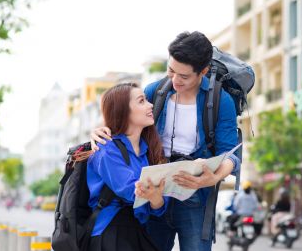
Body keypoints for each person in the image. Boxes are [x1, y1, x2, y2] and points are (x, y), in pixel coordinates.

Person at [91, 31, 242, 251]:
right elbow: (124, 115)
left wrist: (212, 178)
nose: (174, 80)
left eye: (184, 76)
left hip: (194, 195)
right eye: (171, 70)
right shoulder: (156, 91)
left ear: (203, 72)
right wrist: (100, 130)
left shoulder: (220, 101)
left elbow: (230, 153)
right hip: (155, 191)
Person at [87, 83, 169, 251]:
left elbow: (157, 206)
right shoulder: (106, 148)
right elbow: (131, 191)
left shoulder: (146, 151)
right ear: (123, 110)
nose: (150, 105)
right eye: (141, 101)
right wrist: (154, 195)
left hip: (136, 231)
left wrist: (157, 199)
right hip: (111, 231)